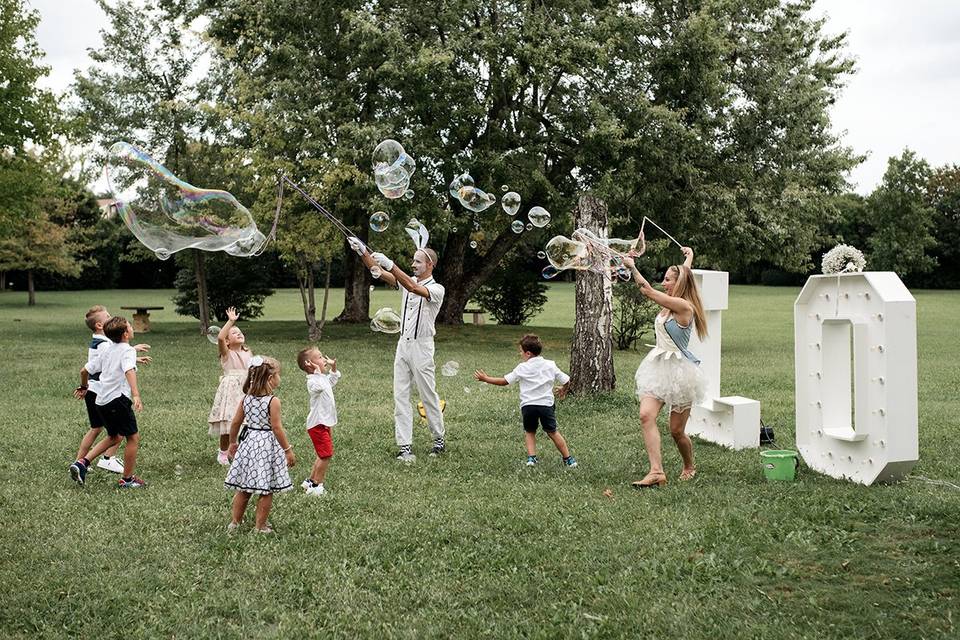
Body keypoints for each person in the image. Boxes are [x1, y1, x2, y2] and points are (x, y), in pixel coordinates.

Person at [621, 247, 707, 488]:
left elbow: (646, 291)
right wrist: (689, 256)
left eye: (667, 279)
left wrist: (632, 267)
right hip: (658, 366)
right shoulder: (673, 299)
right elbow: (685, 272)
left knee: (676, 431)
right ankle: (656, 471)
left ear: (678, 283)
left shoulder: (684, 306)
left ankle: (689, 465)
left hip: (681, 373)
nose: (663, 282)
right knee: (646, 415)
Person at [354, 239, 446, 462]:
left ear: (430, 264)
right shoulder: (408, 281)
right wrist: (362, 251)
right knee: (400, 395)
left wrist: (391, 263)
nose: (413, 264)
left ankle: (438, 439)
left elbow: (412, 287)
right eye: (413, 261)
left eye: (417, 261)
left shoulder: (436, 289)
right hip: (403, 345)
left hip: (422, 346)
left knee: (428, 395)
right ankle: (405, 446)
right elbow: (378, 270)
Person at [474, 334, 577, 467]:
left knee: (530, 431)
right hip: (546, 405)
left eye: (521, 351)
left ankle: (531, 459)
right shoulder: (550, 364)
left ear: (528, 353)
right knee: (552, 432)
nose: (520, 354)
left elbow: (504, 381)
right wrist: (563, 389)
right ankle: (568, 459)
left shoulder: (522, 368)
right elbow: (567, 380)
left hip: (528, 406)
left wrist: (486, 378)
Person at [69, 316, 149, 488]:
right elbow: (128, 370)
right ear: (126, 334)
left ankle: (82, 463)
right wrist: (136, 395)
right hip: (117, 400)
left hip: (101, 401)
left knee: (114, 436)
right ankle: (127, 480)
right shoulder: (128, 350)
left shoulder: (106, 349)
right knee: (133, 438)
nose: (131, 328)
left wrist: (84, 386)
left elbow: (84, 370)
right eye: (130, 326)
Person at [224, 356, 295, 534]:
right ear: (271, 378)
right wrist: (288, 450)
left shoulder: (246, 399)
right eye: (279, 374)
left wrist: (233, 442)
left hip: (249, 443)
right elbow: (277, 428)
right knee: (266, 489)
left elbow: (235, 423)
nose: (280, 378)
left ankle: (234, 523)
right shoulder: (273, 401)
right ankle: (260, 526)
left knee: (244, 488)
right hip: (266, 446)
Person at [208, 306, 252, 465]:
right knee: (228, 423)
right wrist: (231, 321)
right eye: (234, 333)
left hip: (247, 389)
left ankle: (240, 449)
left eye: (240, 332)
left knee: (246, 422)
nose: (239, 333)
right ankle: (223, 452)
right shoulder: (226, 353)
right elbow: (220, 338)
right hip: (231, 391)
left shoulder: (248, 352)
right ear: (227, 341)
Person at [297, 347, 341, 496]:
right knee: (326, 455)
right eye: (320, 357)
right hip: (317, 425)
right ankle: (316, 486)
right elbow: (321, 387)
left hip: (324, 422)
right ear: (309, 363)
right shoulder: (312, 381)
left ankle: (310, 481)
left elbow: (332, 380)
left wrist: (333, 368)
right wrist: (318, 372)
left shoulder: (321, 378)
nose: (324, 360)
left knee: (322, 454)